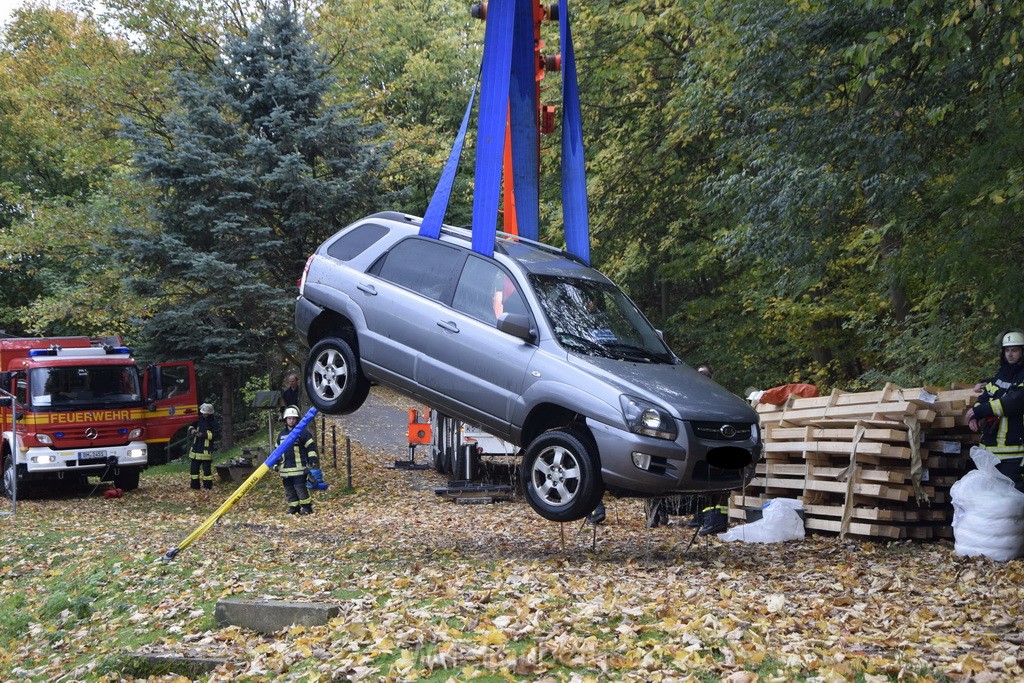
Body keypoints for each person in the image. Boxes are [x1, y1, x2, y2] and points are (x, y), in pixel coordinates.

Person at [966, 329, 1024, 491]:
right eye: (1007, 350)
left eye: (1015, 350)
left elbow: (1014, 402)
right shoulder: (1001, 375)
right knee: (993, 501)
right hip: (990, 452)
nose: (1010, 354)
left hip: (1014, 454)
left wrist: (981, 411)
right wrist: (974, 416)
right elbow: (985, 397)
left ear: (1022, 352)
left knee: (1013, 501)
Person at [277, 405, 317, 514]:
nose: (291, 420)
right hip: (285, 470)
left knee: (300, 489)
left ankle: (307, 507)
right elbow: (277, 452)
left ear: (297, 419)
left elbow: (311, 447)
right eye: (289, 418)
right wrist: (276, 464)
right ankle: (293, 508)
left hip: (299, 468)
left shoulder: (303, 433)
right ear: (285, 420)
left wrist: (312, 459)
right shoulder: (281, 435)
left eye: (293, 418)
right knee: (289, 490)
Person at [188, 403, 220, 490]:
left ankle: (207, 487)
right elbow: (191, 426)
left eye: (206, 413)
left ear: (210, 413)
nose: (204, 415)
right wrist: (192, 430)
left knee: (207, 472)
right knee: (194, 470)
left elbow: (215, 435)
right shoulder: (199, 419)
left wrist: (203, 435)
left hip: (206, 450)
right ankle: (195, 486)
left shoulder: (213, 422)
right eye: (203, 413)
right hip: (196, 449)